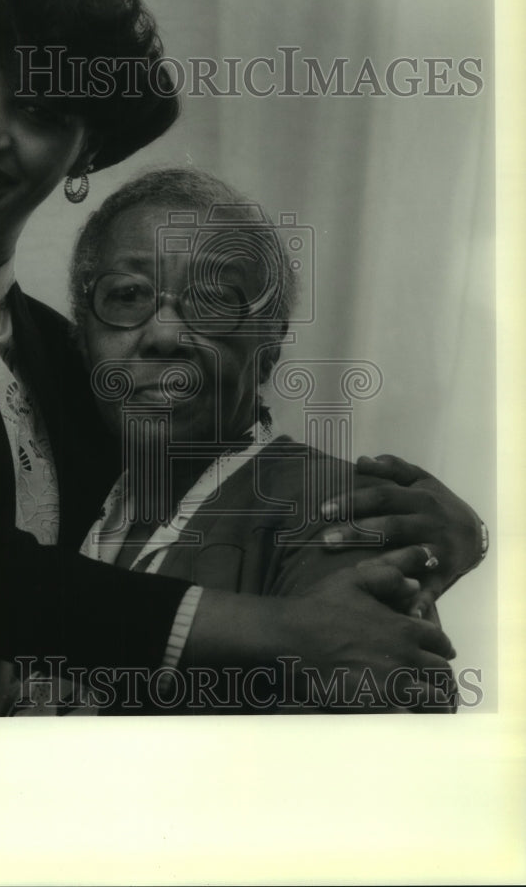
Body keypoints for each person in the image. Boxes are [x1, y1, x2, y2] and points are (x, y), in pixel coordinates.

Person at [0, 0, 477, 719]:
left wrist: (430, 535)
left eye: (38, 110)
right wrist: (280, 629)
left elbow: (191, 496)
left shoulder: (61, 348)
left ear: (85, 151)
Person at [62, 167, 487, 712]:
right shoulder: (57, 497)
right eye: (127, 294)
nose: (166, 334)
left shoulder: (340, 514)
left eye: (214, 301)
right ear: (81, 336)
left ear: (270, 350)